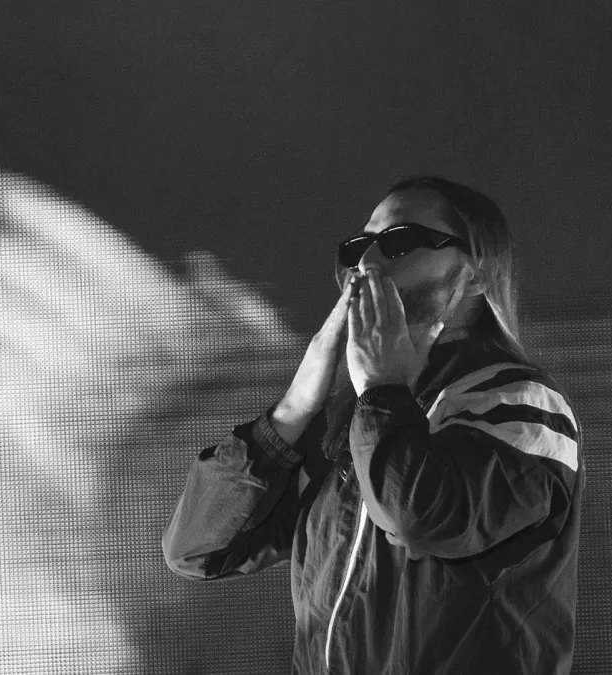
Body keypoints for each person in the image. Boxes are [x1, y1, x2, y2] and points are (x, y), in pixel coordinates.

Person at [162, 176, 584, 674]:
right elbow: (196, 549)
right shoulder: (352, 420)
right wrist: (293, 410)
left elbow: (420, 518)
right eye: (358, 245)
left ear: (477, 274)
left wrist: (381, 388)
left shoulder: (522, 404)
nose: (366, 262)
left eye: (400, 240)